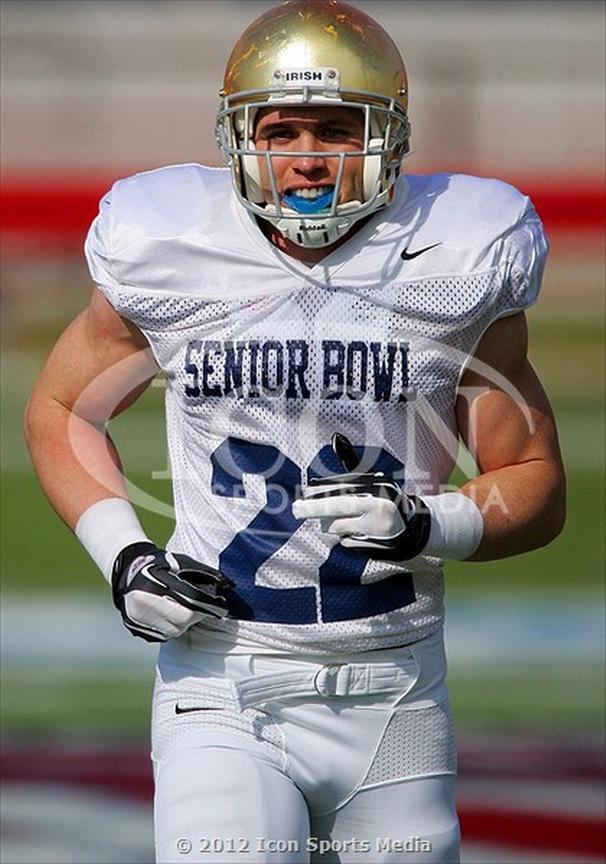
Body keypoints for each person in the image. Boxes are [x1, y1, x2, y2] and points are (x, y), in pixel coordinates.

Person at [24, 1, 566, 862]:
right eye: (279, 131)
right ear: (239, 138)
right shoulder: (169, 246)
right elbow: (62, 410)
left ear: (387, 135)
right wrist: (125, 556)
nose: (306, 158)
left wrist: (428, 524)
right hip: (223, 677)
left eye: (336, 129)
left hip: (397, 690)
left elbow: (532, 477)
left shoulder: (460, 254)